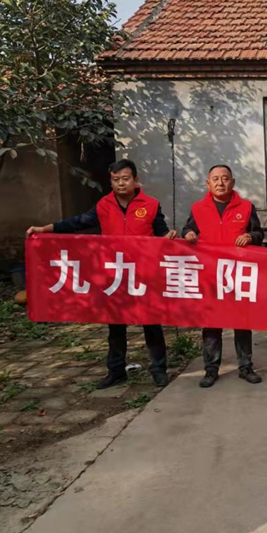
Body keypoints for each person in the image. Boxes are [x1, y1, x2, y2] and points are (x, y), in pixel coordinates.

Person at [26, 159, 174, 389]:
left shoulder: (151, 205)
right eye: (116, 180)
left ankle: (159, 370)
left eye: (125, 179)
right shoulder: (104, 205)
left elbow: (161, 234)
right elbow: (78, 223)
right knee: (115, 326)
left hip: (143, 274)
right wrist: (44, 229)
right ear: (111, 182)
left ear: (136, 180)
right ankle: (116, 371)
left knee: (151, 324)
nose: (121, 183)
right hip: (115, 274)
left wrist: (167, 239)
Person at [182, 165, 265, 387]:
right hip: (210, 275)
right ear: (208, 183)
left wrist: (250, 236)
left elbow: (259, 233)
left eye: (225, 178)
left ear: (233, 182)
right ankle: (211, 369)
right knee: (211, 324)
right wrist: (189, 234)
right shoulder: (198, 208)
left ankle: (246, 367)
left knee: (242, 323)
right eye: (216, 179)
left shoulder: (246, 207)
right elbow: (187, 230)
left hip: (238, 274)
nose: (220, 183)